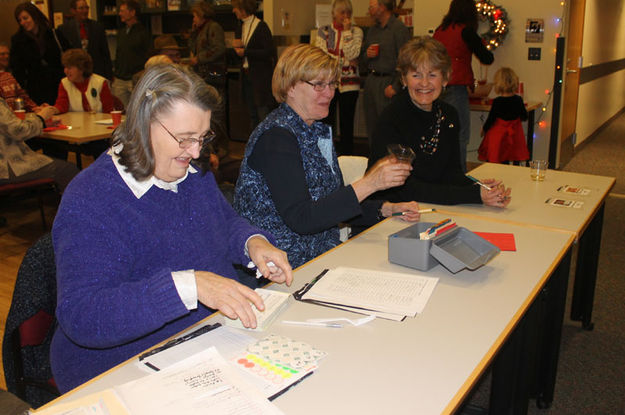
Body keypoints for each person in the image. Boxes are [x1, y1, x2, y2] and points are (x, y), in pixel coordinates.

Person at [50, 64, 293, 393]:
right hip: (117, 367)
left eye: (202, 137)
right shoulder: (92, 199)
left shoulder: (189, 169)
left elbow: (223, 222)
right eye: (184, 139)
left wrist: (252, 242)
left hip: (204, 339)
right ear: (142, 124)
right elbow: (82, 316)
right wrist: (189, 286)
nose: (195, 152)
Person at [234, 44, 421, 269]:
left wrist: (385, 209)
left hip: (321, 257)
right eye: (319, 85)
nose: (330, 93)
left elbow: (331, 206)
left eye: (332, 84)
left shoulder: (315, 129)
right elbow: (302, 219)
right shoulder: (276, 137)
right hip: (283, 269)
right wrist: (370, 184)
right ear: (290, 86)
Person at [368, 37, 511, 207]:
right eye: (416, 75)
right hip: (391, 214)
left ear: (445, 78)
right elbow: (404, 189)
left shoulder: (449, 115)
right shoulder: (392, 118)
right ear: (404, 80)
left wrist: (483, 189)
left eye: (432, 74)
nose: (424, 83)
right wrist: (474, 195)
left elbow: (452, 174)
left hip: (431, 209)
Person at [433, 0, 494, 172]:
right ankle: (458, 174)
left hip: (437, 88)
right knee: (460, 134)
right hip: (456, 88)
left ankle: (441, 171)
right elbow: (487, 58)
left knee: (441, 133)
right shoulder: (466, 31)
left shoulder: (440, 30)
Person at [315, 0, 363, 155]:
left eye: (348, 12)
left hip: (350, 84)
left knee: (347, 123)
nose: (345, 16)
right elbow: (322, 57)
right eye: (342, 12)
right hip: (329, 83)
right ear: (334, 13)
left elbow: (352, 53)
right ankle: (326, 154)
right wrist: (344, 61)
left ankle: (347, 156)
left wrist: (347, 32)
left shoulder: (357, 31)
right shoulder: (324, 31)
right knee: (326, 120)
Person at [360, 0, 410, 145]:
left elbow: (406, 61)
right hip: (371, 81)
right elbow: (362, 60)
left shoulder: (398, 29)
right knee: (372, 128)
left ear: (382, 7)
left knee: (388, 128)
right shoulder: (372, 30)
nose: (369, 10)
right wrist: (367, 55)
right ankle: (374, 162)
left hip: (389, 83)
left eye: (372, 7)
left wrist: (396, 86)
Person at [0, 98, 77, 191]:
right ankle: (77, 205)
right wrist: (41, 117)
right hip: (5, 169)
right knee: (68, 170)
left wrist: (42, 123)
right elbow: (19, 131)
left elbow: (7, 126)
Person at [10, 2, 68, 106]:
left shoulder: (54, 34)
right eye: (20, 20)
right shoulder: (18, 40)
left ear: (34, 16)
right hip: (35, 89)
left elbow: (69, 55)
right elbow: (18, 70)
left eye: (25, 18)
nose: (23, 22)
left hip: (58, 85)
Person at [231, 0, 277, 130]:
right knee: (252, 114)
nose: (233, 11)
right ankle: (255, 147)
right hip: (246, 76)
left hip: (260, 78)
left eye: (235, 8)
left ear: (243, 9)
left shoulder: (261, 26)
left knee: (263, 113)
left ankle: (266, 146)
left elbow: (269, 52)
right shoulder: (240, 26)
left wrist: (246, 52)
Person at [478, 67, 529, 164]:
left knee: (496, 158)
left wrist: (484, 129)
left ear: (499, 83)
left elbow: (491, 119)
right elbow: (524, 117)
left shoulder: (497, 102)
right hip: (513, 137)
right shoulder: (518, 100)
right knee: (510, 157)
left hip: (498, 137)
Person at [57, 0, 113, 80]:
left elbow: (105, 53)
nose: (85, 11)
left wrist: (109, 75)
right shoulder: (63, 29)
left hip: (96, 73)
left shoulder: (97, 27)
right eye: (81, 8)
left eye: (86, 8)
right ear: (73, 11)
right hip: (75, 76)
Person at [112, 0, 151, 108]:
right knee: (121, 111)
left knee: (138, 109)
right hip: (120, 79)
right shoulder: (122, 32)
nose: (120, 14)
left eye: (122, 11)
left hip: (135, 79)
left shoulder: (143, 32)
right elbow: (119, 54)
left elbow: (148, 55)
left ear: (132, 12)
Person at [52, 49, 114, 114]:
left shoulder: (100, 83)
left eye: (69, 68)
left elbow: (109, 112)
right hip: (74, 124)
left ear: (81, 68)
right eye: (65, 67)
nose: (66, 71)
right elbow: (61, 106)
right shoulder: (64, 83)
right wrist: (50, 109)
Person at [189, 1, 226, 90]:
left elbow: (219, 49)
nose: (193, 19)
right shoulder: (200, 30)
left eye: (195, 16)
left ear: (201, 15)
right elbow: (192, 47)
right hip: (203, 74)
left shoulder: (213, 27)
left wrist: (199, 58)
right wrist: (193, 33)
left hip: (213, 74)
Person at [0, 42, 38, 112]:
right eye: (2, 54)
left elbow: (22, 97)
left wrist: (36, 108)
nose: (6, 57)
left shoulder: (9, 76)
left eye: (8, 54)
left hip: (16, 118)